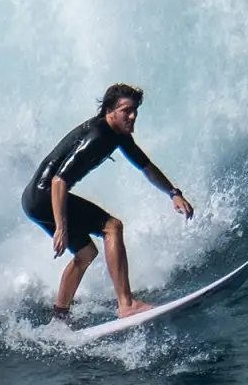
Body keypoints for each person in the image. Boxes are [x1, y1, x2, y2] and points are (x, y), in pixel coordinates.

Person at [22, 84, 194, 322]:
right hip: (45, 196)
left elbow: (147, 167)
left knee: (86, 253)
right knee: (112, 227)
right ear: (110, 111)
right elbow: (60, 181)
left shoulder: (118, 136)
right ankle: (126, 304)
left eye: (135, 111)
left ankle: (60, 317)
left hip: (34, 200)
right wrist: (61, 227)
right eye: (126, 111)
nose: (132, 116)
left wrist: (174, 193)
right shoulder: (98, 136)